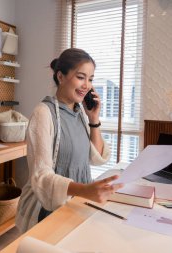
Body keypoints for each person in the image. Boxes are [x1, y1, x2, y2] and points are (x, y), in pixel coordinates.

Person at [16, 48, 124, 232]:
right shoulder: (43, 113)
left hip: (79, 201)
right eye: (81, 77)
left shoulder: (80, 113)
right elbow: (40, 176)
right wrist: (85, 190)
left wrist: (94, 120)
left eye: (90, 79)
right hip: (49, 207)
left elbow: (96, 157)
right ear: (61, 77)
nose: (87, 85)